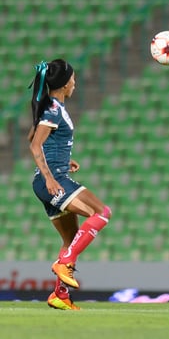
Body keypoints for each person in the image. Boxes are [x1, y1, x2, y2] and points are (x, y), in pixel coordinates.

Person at [28, 59, 112, 310]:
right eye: (73, 79)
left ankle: (60, 295)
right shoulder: (53, 109)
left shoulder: (52, 107)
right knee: (101, 213)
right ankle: (65, 262)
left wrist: (63, 158)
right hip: (53, 181)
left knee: (72, 238)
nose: (75, 83)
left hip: (51, 177)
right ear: (65, 84)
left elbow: (33, 136)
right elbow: (34, 145)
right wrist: (51, 177)